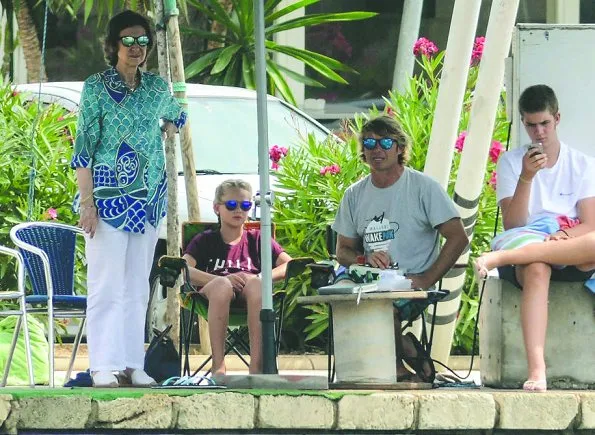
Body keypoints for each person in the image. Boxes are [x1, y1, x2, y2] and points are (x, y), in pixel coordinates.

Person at [72, 10, 186, 387]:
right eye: (129, 40)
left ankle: (132, 363)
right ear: (113, 44)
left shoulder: (155, 88)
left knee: (138, 286)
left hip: (148, 199)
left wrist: (171, 123)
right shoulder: (95, 87)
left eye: (143, 41)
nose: (136, 48)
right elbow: (83, 151)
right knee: (105, 284)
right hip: (106, 199)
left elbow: (177, 113)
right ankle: (103, 364)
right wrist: (86, 203)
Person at [332, 115, 468, 382]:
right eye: (369, 143)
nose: (377, 149)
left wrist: (427, 279)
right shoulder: (354, 194)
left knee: (385, 306)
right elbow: (343, 251)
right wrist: (365, 258)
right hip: (369, 281)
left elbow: (458, 237)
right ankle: (406, 349)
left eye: (385, 142)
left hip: (410, 282)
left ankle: (398, 370)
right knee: (342, 299)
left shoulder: (423, 187)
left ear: (400, 148)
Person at [484, 84, 595, 392]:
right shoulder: (511, 162)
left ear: (556, 118)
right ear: (523, 123)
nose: (539, 132)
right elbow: (514, 224)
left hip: (567, 243)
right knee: (536, 267)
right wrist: (526, 177)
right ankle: (537, 369)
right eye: (531, 125)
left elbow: (590, 224)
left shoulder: (583, 164)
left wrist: (562, 235)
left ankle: (501, 259)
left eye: (544, 123)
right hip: (527, 245)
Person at [182, 179, 292, 375]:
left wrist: (258, 276)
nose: (238, 210)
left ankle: (257, 367)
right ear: (217, 208)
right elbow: (185, 269)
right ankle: (218, 367)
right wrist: (217, 280)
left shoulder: (258, 238)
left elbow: (289, 264)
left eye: (245, 205)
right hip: (213, 294)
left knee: (257, 284)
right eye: (231, 205)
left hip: (250, 293)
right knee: (223, 285)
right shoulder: (205, 239)